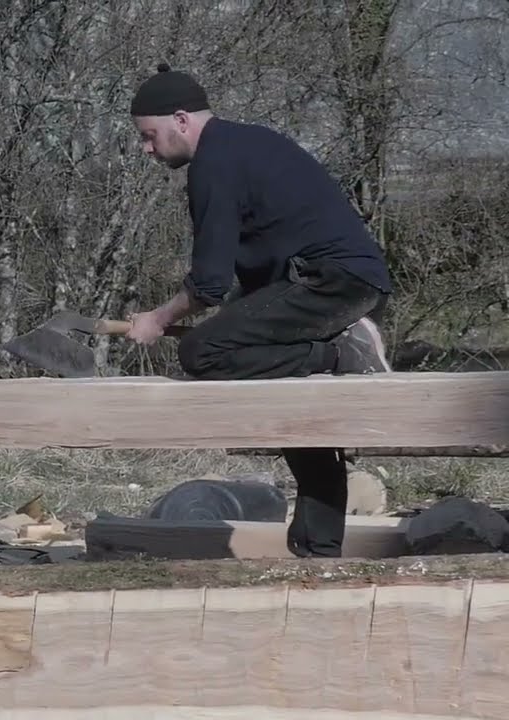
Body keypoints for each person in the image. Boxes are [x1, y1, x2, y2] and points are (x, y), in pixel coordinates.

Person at [123, 63, 393, 558]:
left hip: (329, 282)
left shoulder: (214, 163)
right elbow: (241, 284)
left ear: (180, 120)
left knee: (201, 354)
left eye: (149, 136)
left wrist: (157, 319)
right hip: (335, 281)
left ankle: (337, 354)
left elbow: (208, 282)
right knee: (291, 408)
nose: (146, 148)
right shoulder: (242, 146)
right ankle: (318, 547)